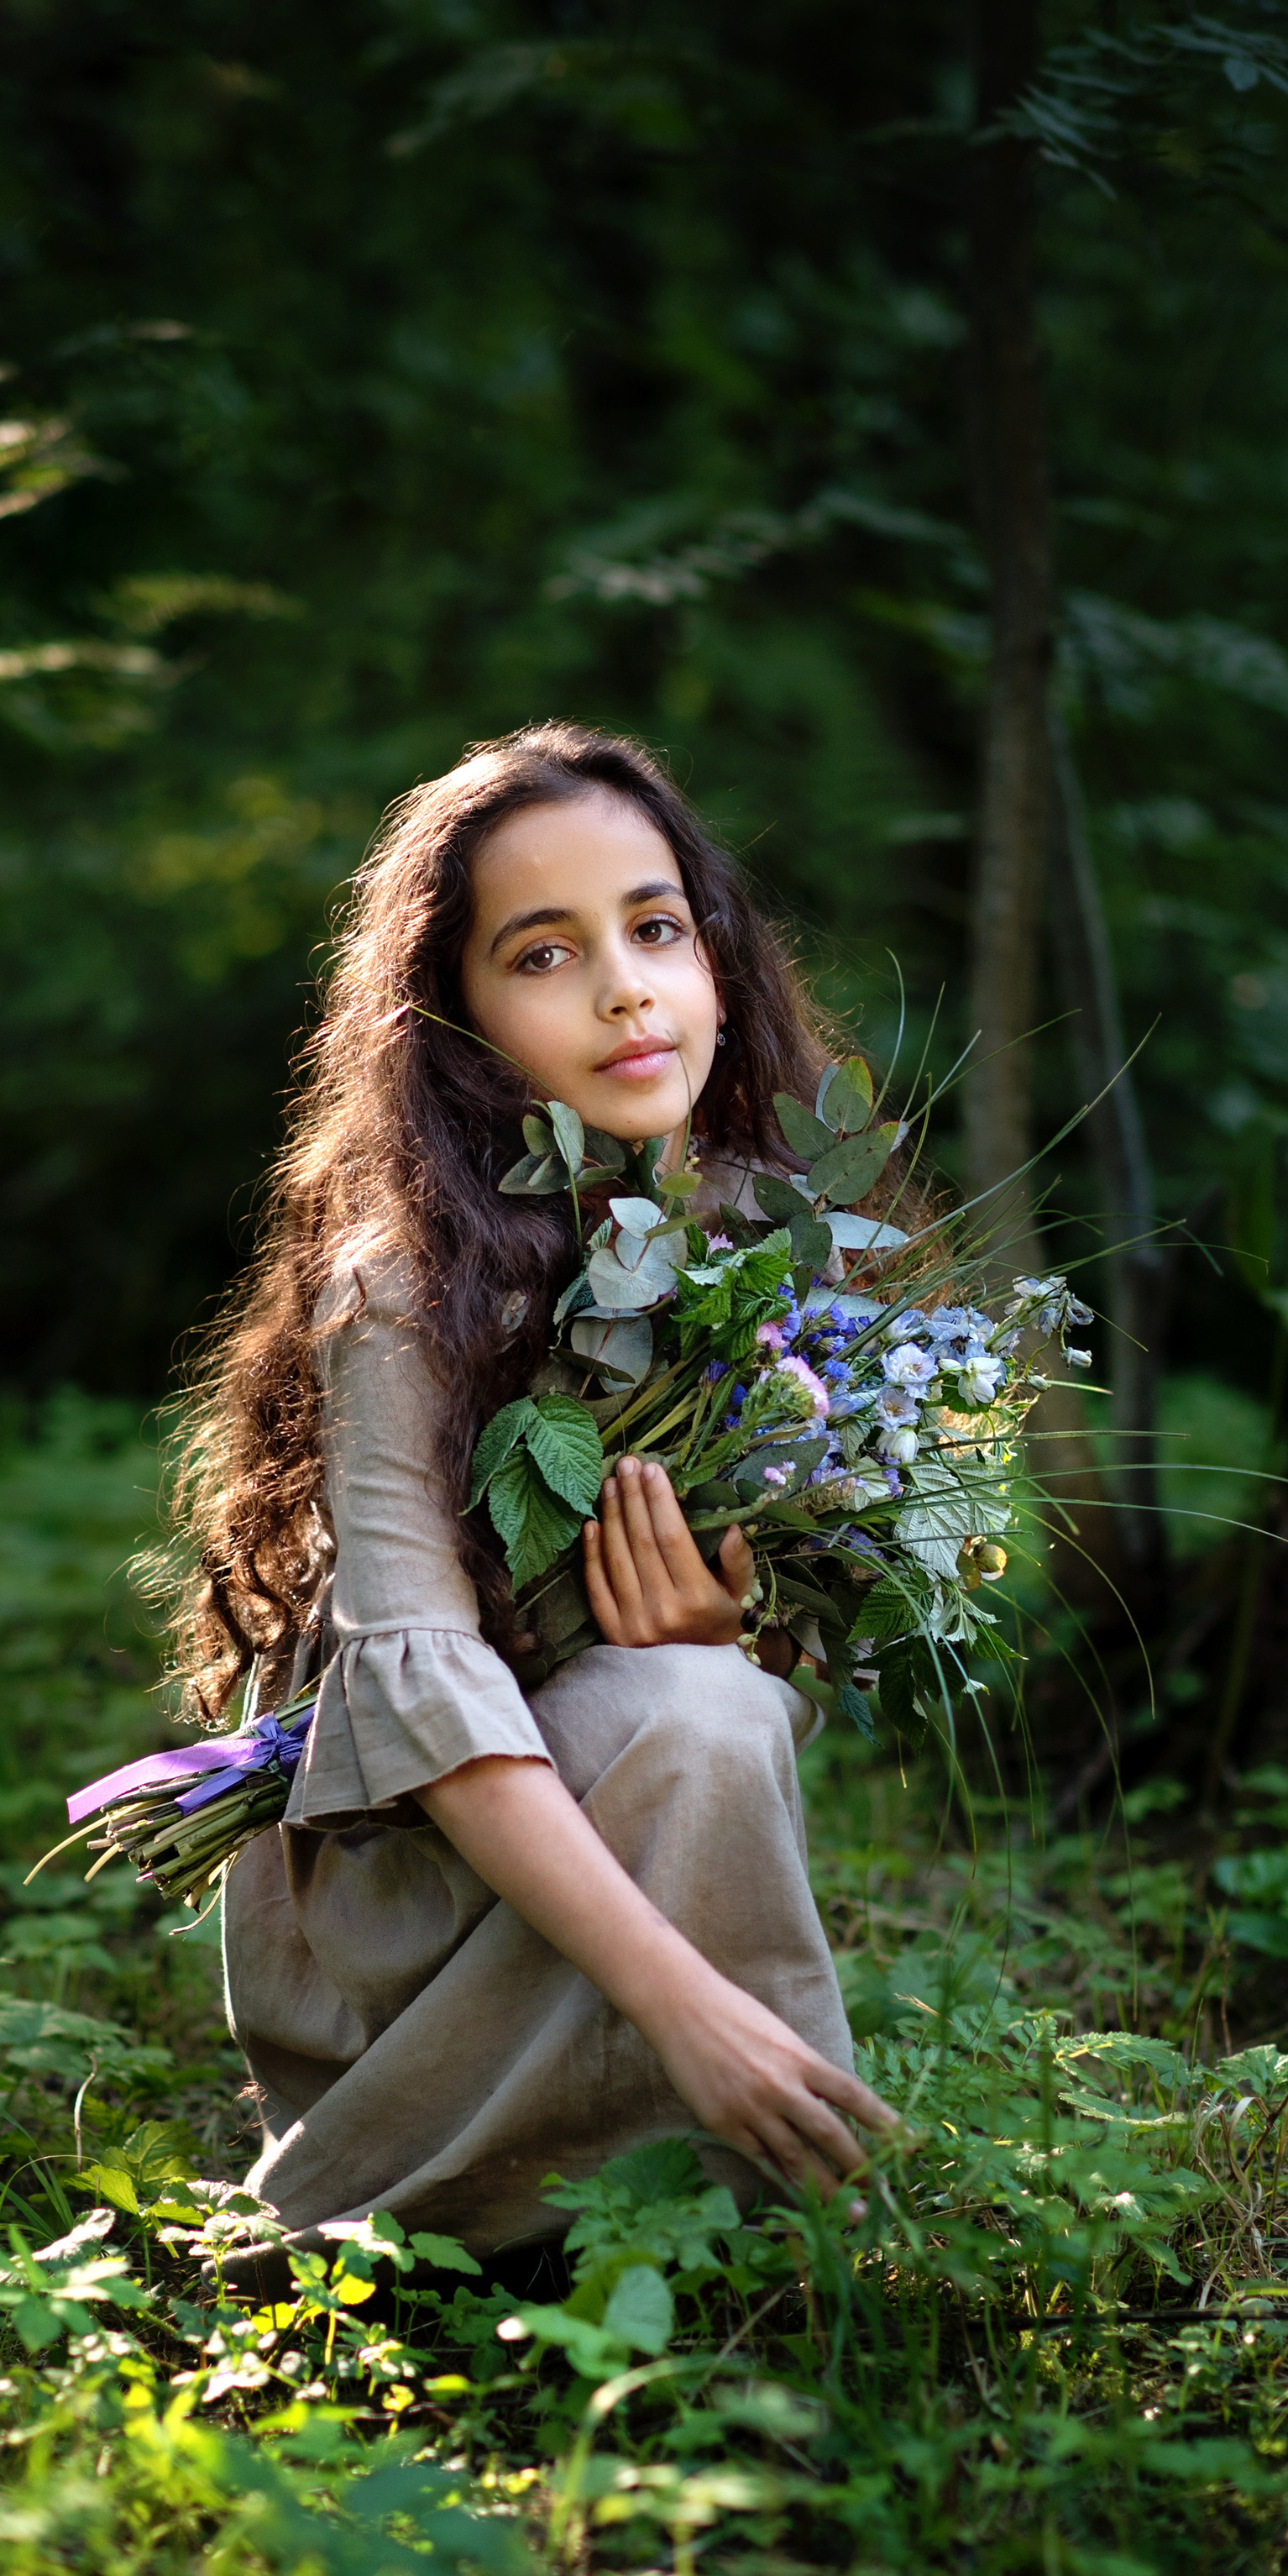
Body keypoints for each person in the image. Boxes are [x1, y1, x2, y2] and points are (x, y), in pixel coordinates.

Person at [165, 721, 895, 2257]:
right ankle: (552, 2162)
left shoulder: (769, 1249)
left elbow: (798, 1682)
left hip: (612, 1791)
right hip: (407, 1870)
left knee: (716, 1700)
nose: (627, 986)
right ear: (461, 1023)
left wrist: (740, 1624)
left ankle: (687, 2196)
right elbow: (421, 1693)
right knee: (694, 1715)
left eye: (654, 928)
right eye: (545, 954)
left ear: (717, 958)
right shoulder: (408, 1285)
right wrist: (694, 2008)